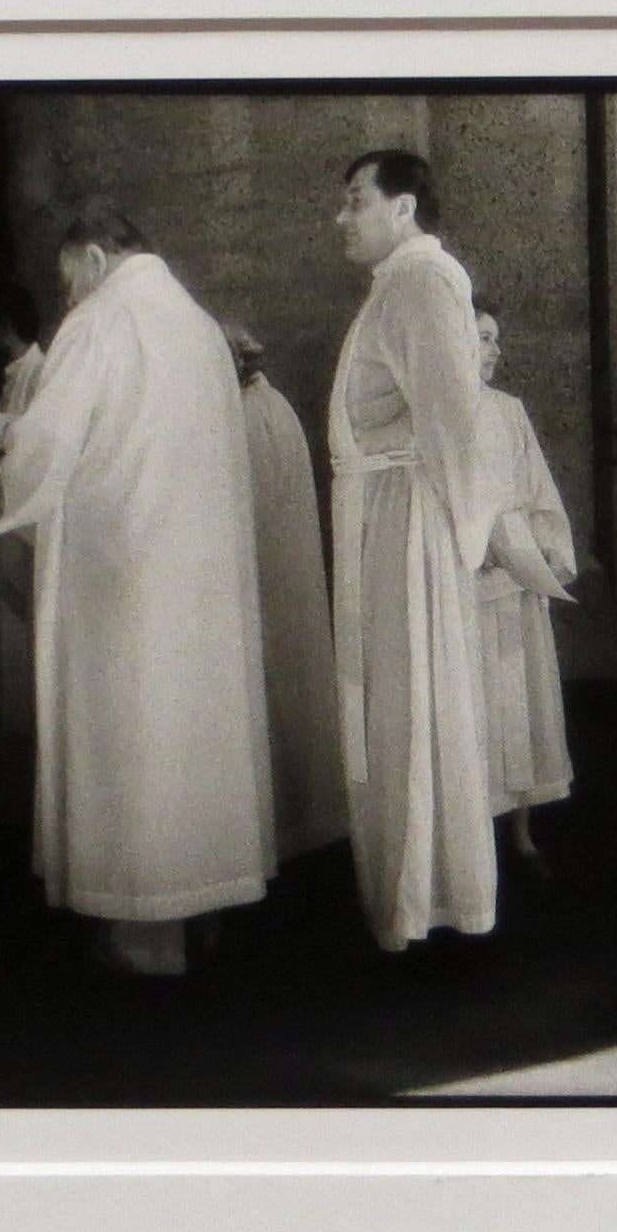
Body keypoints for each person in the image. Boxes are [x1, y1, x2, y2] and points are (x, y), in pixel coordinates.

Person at [0, 214, 278, 975]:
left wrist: (1, 478)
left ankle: (144, 931)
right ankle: (206, 904)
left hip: (120, 573)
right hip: (202, 576)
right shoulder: (197, 328)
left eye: (67, 280)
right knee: (195, 739)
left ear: (93, 259)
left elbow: (45, 442)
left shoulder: (100, 321)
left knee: (132, 741)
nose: (66, 297)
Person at [324, 149, 518, 951]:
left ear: (402, 208)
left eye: (356, 201)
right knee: (395, 707)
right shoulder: (397, 286)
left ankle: (430, 901)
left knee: (412, 707)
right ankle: (410, 898)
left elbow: (454, 421)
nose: (342, 218)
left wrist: (462, 538)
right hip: (385, 511)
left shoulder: (424, 281)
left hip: (406, 521)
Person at [228, 318, 347, 861]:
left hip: (262, 574)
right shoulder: (276, 409)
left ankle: (280, 827)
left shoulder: (244, 420)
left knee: (272, 694)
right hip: (287, 575)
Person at [470, 302, 577, 867]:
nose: (495, 350)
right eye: (483, 338)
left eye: (496, 339)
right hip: (464, 586)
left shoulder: (508, 413)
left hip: (514, 581)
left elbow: (538, 492)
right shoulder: (433, 414)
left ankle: (521, 829)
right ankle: (473, 835)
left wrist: (544, 552)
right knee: (476, 708)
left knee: (518, 706)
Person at [0, 284, 50, 833]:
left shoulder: (41, 375)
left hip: (24, 529)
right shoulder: (12, 377)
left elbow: (33, 453)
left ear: (6, 324)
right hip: (2, 522)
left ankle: (30, 791)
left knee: (21, 654)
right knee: (4, 655)